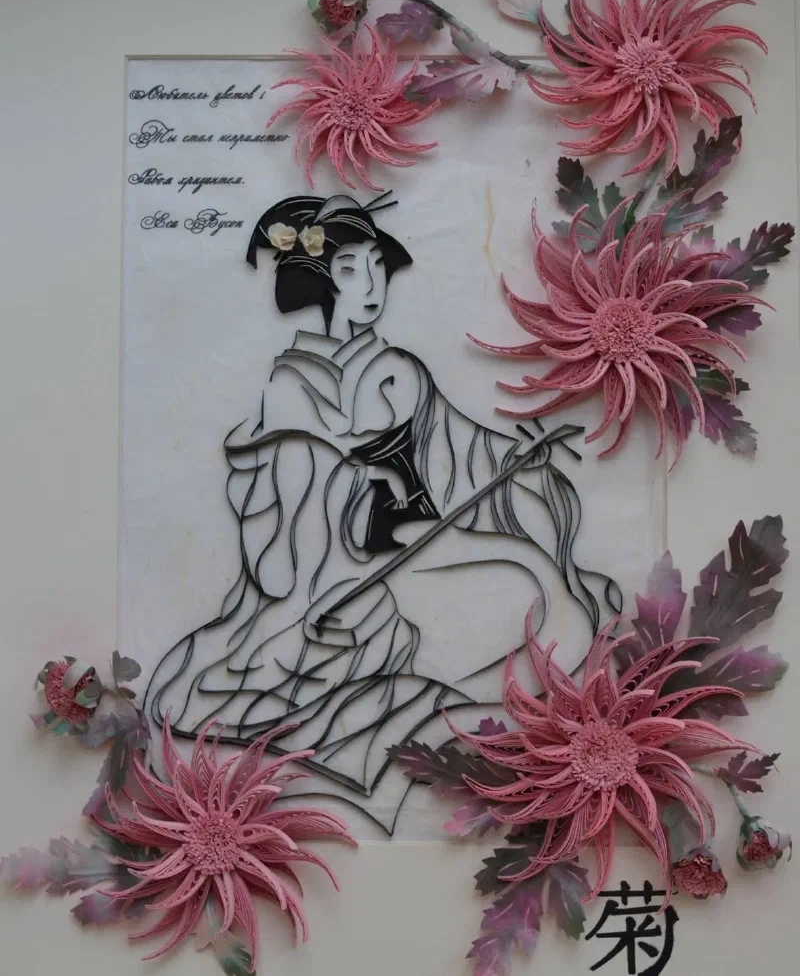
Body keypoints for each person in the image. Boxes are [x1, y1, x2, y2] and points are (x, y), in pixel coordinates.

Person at [146, 194, 618, 830]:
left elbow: (459, 446)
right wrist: (362, 495)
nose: (370, 286)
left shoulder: (397, 367)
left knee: (533, 572)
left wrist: (517, 457)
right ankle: (433, 717)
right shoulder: (290, 383)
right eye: (349, 270)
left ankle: (490, 718)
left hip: (418, 533)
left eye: (376, 267)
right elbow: (286, 508)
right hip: (340, 563)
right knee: (515, 589)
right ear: (316, 279)